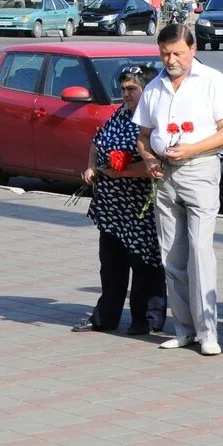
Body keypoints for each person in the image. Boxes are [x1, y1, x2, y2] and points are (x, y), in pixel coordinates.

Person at [134, 24, 223, 356]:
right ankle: (184, 328)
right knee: (171, 255)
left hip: (199, 170)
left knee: (199, 250)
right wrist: (149, 158)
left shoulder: (211, 81)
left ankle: (209, 331)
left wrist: (192, 150)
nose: (171, 59)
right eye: (165, 53)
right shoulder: (154, 87)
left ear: (193, 49)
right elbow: (143, 134)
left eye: (178, 52)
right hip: (164, 175)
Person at [72, 64, 166, 335]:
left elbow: (157, 164)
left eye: (132, 89)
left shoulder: (153, 120)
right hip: (112, 207)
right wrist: (92, 167)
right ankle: (105, 317)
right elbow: (96, 141)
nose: (125, 94)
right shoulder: (118, 115)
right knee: (111, 266)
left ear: (147, 90)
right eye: (123, 88)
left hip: (140, 208)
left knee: (144, 265)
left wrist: (119, 171)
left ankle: (145, 319)